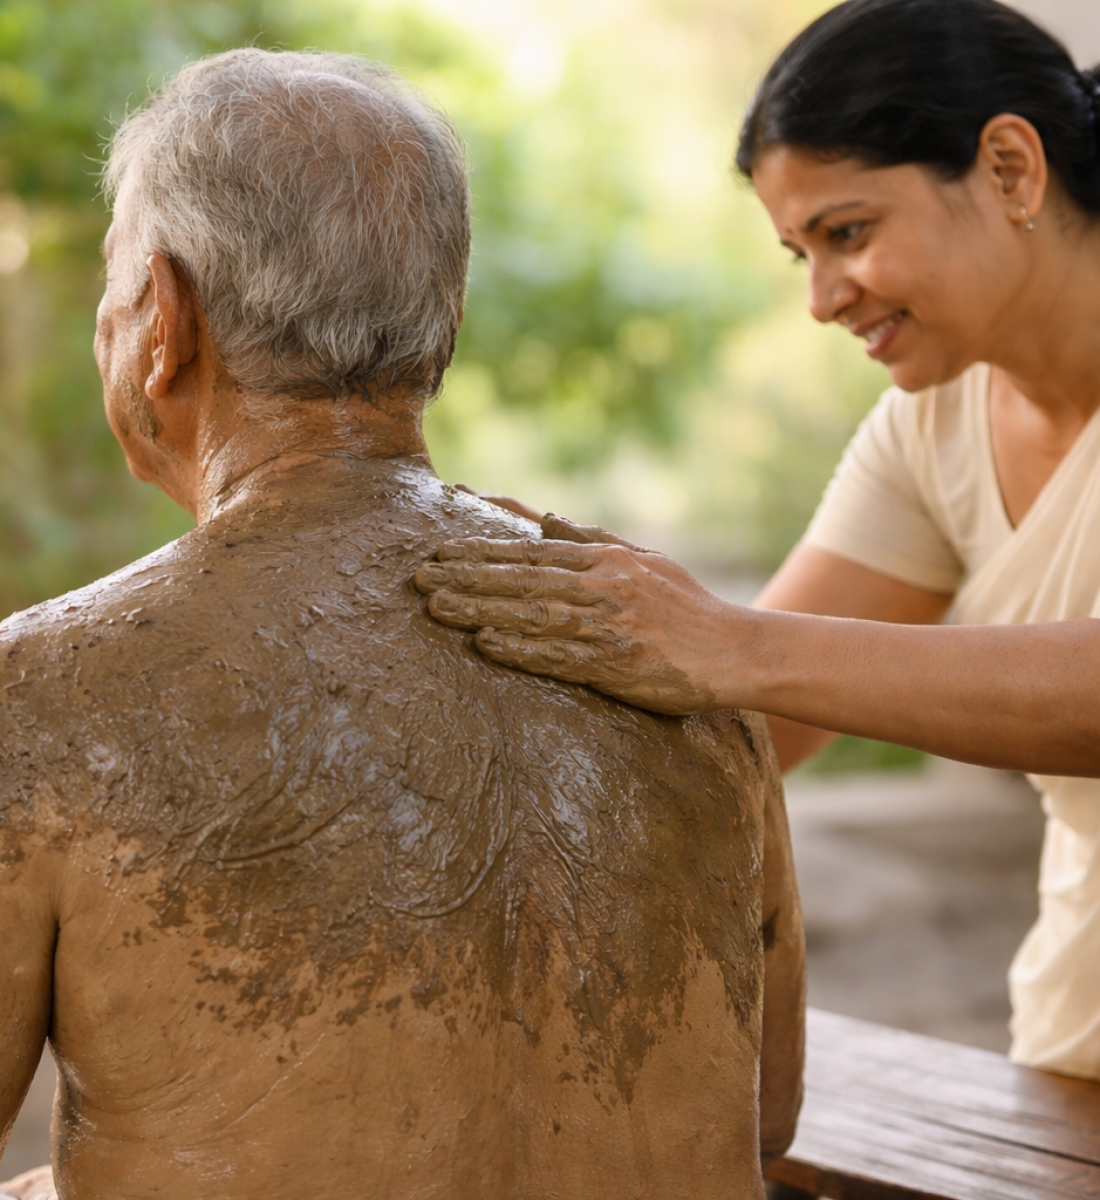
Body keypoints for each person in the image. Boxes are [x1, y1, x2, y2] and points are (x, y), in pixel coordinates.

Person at [0, 48, 805, 1199]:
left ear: (161, 320)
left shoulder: (41, 693)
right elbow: (762, 1120)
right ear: (448, 325)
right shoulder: (663, 651)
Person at [415, 0, 1100, 1082]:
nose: (823, 300)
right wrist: (441, 781)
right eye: (799, 256)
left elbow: (748, 659)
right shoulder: (928, 428)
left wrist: (722, 640)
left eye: (848, 233)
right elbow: (758, 720)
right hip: (1074, 1037)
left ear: (1009, 168)